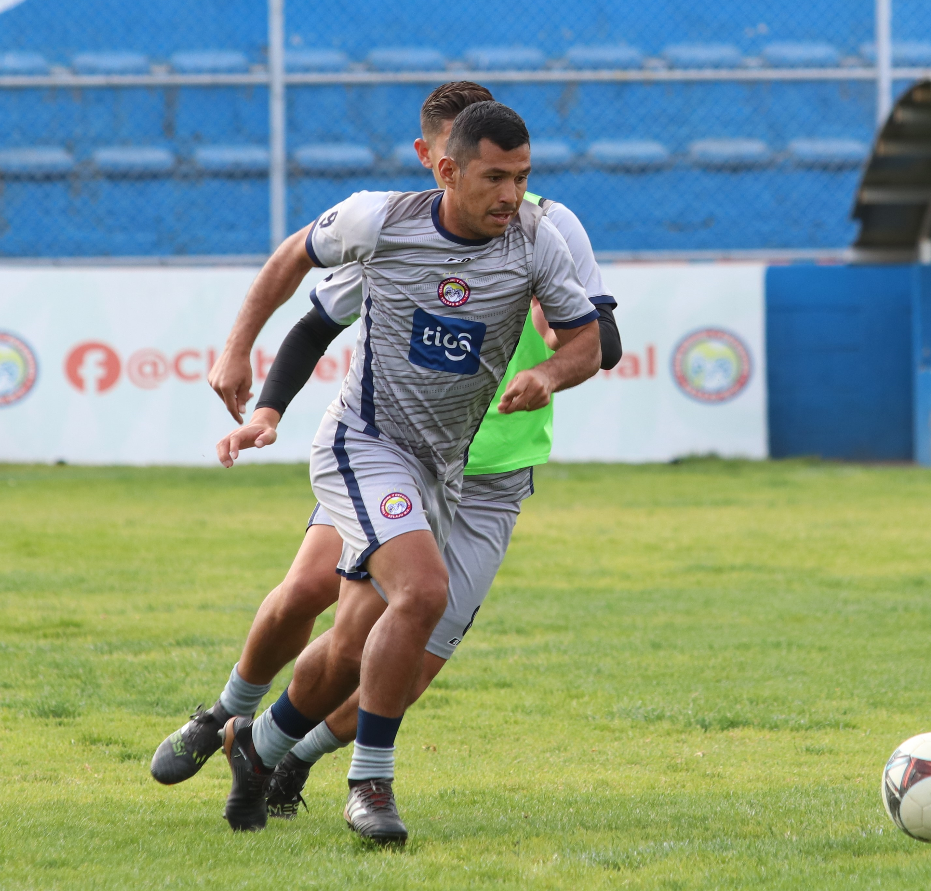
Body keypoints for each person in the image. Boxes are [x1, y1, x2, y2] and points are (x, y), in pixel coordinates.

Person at [149, 86, 619, 839]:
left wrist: (549, 373)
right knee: (396, 591)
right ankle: (366, 779)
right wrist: (240, 356)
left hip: (450, 470)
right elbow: (292, 265)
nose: (512, 193)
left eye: (522, 177)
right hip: (365, 444)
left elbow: (592, 339)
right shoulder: (381, 218)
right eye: (495, 178)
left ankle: (257, 746)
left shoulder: (541, 235)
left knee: (350, 648)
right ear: (443, 168)